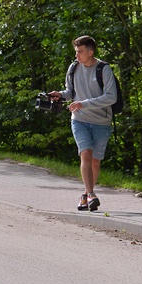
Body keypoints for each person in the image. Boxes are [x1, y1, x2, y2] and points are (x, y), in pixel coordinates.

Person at [49, 35, 117, 212]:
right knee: (85, 153)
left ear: (90, 52)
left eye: (80, 52)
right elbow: (71, 92)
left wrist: (83, 103)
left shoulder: (104, 69)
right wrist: (61, 94)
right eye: (76, 52)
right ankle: (92, 194)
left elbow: (111, 97)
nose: (77, 55)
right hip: (79, 119)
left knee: (95, 162)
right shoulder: (73, 68)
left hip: (102, 121)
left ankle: (85, 195)